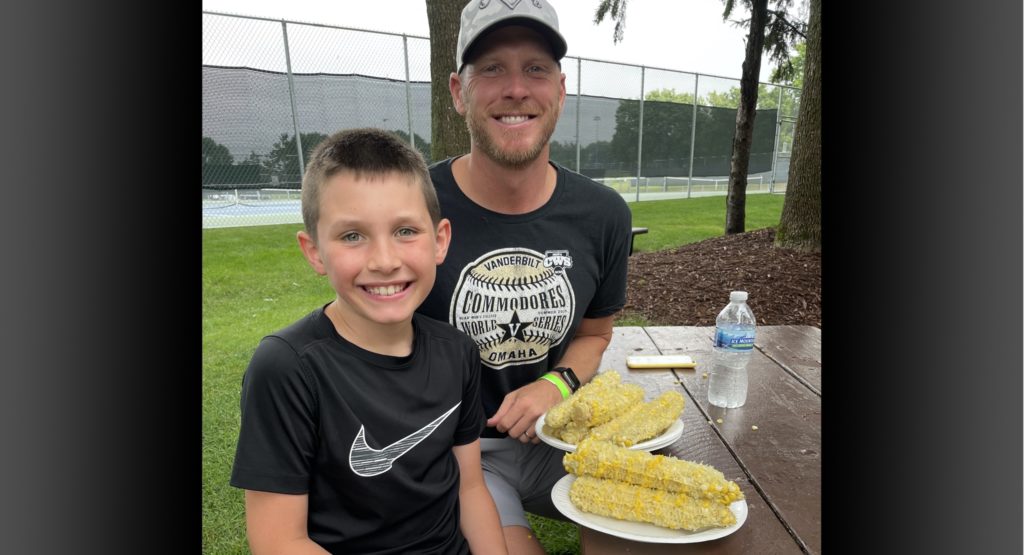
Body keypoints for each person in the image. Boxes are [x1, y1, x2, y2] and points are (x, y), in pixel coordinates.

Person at [416, 1, 633, 552]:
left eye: (535, 68)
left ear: (560, 89)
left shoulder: (602, 213)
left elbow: (594, 334)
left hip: (561, 440)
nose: (516, 88)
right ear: (458, 91)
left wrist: (554, 384)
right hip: (458, 456)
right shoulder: (412, 205)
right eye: (491, 68)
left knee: (651, 531)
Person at [230, 128, 507, 555]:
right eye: (352, 236)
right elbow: (279, 541)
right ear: (315, 251)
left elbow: (470, 489)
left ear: (440, 240)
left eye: (405, 231)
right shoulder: (288, 368)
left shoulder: (458, 352)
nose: (384, 261)